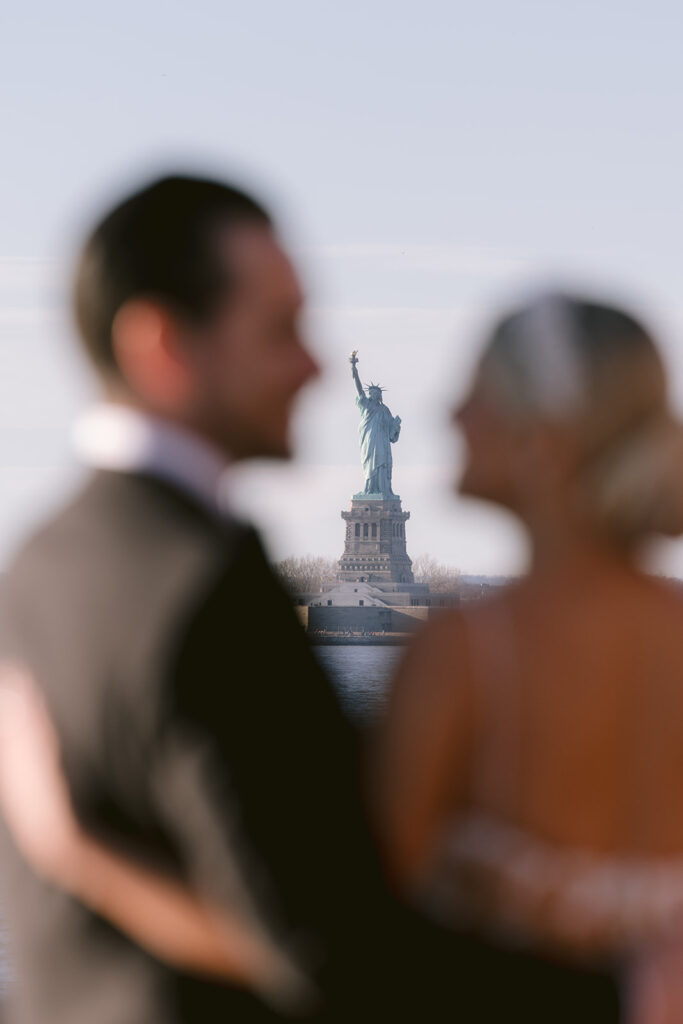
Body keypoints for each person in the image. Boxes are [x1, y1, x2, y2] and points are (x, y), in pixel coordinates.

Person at [0, 174, 401, 1024]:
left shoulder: (34, 568)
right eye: (280, 330)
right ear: (162, 346)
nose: (313, 365)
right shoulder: (209, 590)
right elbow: (328, 955)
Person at [374, 291, 683, 1021]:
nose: (452, 414)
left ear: (543, 443)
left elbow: (365, 925)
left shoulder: (467, 651)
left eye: (479, 393)